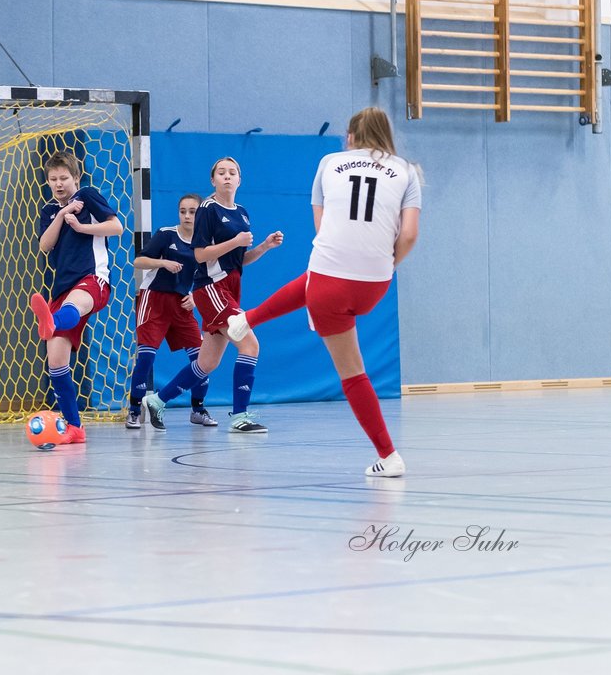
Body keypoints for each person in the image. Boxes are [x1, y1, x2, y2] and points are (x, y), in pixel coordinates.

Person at [225, 107, 421, 477]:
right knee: (319, 283)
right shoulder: (406, 170)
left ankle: (389, 455)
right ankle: (246, 319)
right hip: (377, 282)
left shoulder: (330, 162)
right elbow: (409, 235)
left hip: (330, 278)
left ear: (350, 137)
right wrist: (386, 265)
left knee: (353, 373)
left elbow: (322, 228)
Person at [143, 157, 283, 433]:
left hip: (230, 287)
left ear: (240, 180)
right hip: (211, 287)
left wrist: (264, 246)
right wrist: (236, 241)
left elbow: (238, 260)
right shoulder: (207, 208)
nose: (227, 177)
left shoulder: (241, 212)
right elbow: (199, 255)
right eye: (222, 172)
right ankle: (240, 416)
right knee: (250, 345)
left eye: (233, 173)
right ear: (213, 180)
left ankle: (157, 400)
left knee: (207, 362)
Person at [27, 150, 125, 444]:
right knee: (56, 363)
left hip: (93, 279)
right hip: (62, 286)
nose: (59, 184)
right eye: (53, 179)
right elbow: (45, 246)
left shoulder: (87, 195)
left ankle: (52, 321)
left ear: (76, 178)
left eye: (64, 178)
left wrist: (82, 226)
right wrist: (61, 215)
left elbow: (116, 226)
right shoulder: (49, 210)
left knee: (73, 306)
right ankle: (75, 429)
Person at [125, 194, 217, 429]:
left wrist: (195, 298)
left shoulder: (206, 245)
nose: (187, 216)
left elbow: (212, 278)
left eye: (193, 211)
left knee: (202, 359)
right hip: (154, 299)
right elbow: (139, 261)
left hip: (181, 305)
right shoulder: (167, 235)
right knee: (146, 357)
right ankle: (134, 410)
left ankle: (198, 409)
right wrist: (162, 263)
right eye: (183, 211)